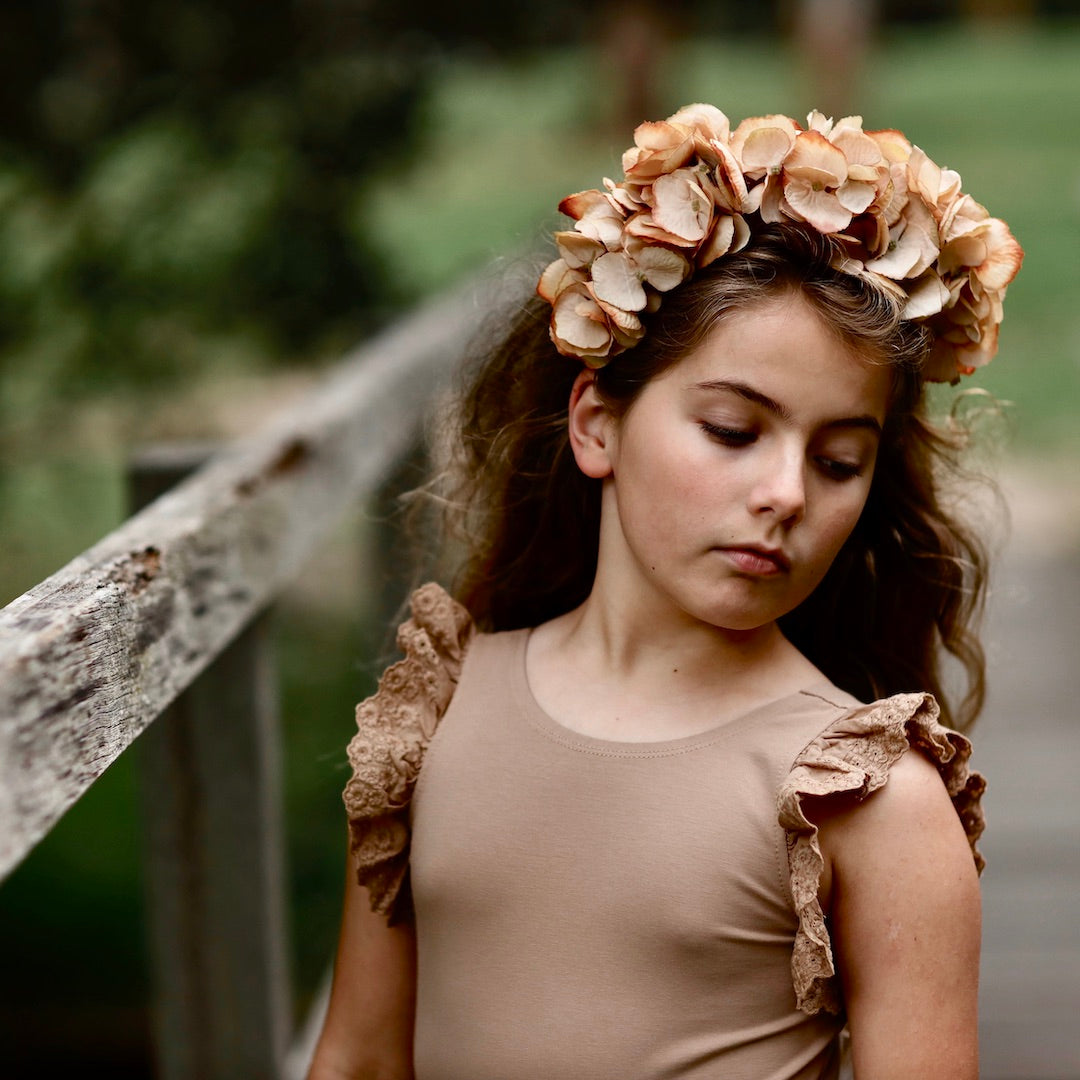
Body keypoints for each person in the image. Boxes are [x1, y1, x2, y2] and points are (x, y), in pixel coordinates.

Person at [306, 104, 1022, 1080]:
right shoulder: (436, 710)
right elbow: (356, 1058)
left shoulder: (868, 801)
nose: (785, 494)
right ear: (596, 424)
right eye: (733, 431)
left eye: (840, 460)